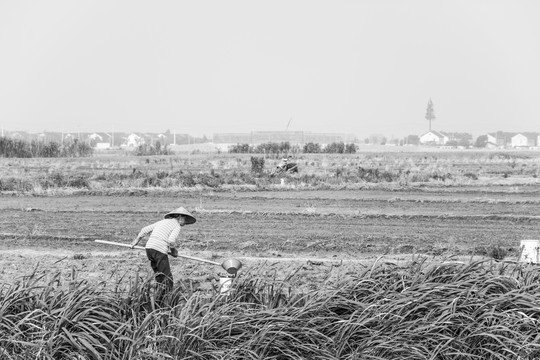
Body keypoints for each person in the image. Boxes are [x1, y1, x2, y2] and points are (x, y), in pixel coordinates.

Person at [130, 207, 196, 291]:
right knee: (168, 279)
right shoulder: (176, 226)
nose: (185, 222)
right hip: (159, 251)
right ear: (180, 217)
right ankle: (167, 298)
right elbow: (171, 241)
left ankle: (158, 296)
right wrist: (173, 251)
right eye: (185, 219)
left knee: (159, 276)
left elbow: (144, 230)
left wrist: (135, 241)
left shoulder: (162, 222)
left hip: (149, 249)